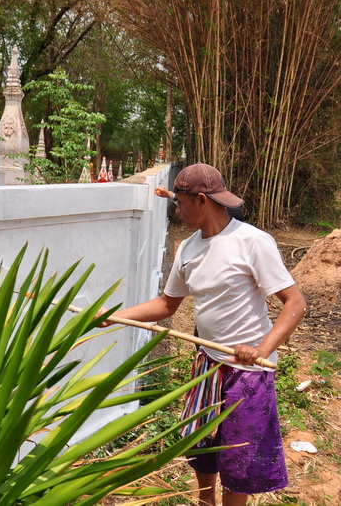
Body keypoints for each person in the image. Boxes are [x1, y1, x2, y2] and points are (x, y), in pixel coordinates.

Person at [104, 163, 306, 506]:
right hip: (208, 366)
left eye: (180, 203)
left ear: (202, 200)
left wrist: (261, 349)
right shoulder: (188, 249)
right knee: (201, 446)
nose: (177, 211)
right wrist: (114, 316)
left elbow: (295, 303)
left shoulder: (252, 242)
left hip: (248, 372)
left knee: (239, 458)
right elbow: (167, 305)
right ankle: (204, 501)